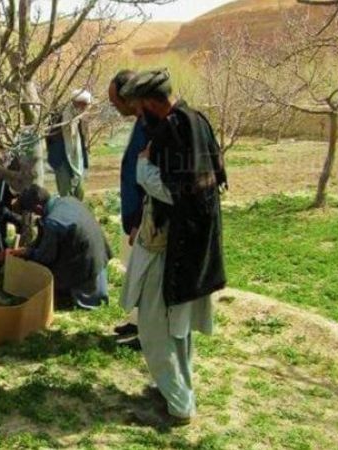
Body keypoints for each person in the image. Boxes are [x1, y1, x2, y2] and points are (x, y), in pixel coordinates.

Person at [120, 69, 227, 425]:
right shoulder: (198, 120)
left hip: (172, 248)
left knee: (155, 327)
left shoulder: (173, 131)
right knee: (176, 327)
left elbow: (176, 192)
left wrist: (142, 167)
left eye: (139, 108)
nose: (138, 115)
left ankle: (179, 405)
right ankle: (176, 389)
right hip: (191, 244)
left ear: (151, 102)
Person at [10, 184, 111, 310]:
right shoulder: (68, 200)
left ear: (38, 207)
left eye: (32, 211)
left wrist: (27, 252)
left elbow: (46, 257)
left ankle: (69, 293)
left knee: (43, 268)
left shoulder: (53, 222)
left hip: (86, 271)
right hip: (99, 260)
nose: (34, 215)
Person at [108, 70, 148, 349]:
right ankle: (136, 321)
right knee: (134, 273)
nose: (114, 107)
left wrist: (141, 219)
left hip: (143, 220)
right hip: (132, 217)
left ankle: (146, 333)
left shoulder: (152, 123)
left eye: (115, 101)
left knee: (145, 277)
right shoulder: (140, 121)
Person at [46, 89, 92, 200]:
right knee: (65, 193)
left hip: (77, 158)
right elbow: (50, 137)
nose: (85, 108)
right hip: (61, 159)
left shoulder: (81, 117)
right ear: (76, 103)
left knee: (80, 192)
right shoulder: (59, 115)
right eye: (84, 105)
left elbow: (82, 137)